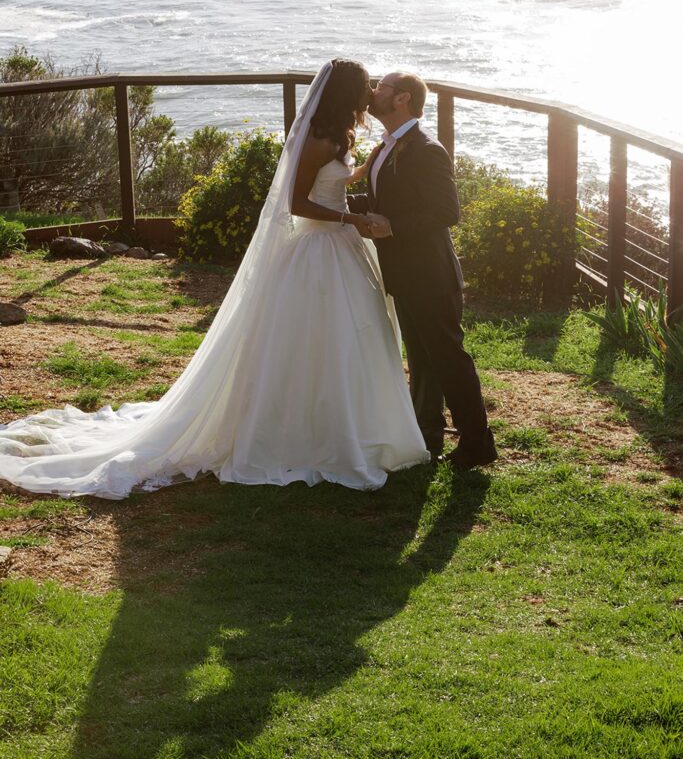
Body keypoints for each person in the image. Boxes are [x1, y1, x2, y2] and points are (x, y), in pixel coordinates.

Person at [0, 60, 429, 499]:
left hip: (341, 247)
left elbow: (329, 183)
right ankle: (304, 433)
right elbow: (297, 202)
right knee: (311, 338)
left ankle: (344, 424)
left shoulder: (339, 137)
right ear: (345, 93)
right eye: (365, 87)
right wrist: (351, 218)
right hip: (318, 249)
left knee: (346, 338)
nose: (371, 92)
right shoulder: (318, 139)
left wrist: (361, 170)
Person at [347, 70, 497, 469]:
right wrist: (333, 207)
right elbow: (385, 199)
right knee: (423, 361)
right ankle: (427, 437)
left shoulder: (427, 150)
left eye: (381, 87)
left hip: (430, 274)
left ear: (403, 99)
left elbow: (447, 211)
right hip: (402, 272)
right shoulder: (384, 148)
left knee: (448, 359)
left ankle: (479, 444)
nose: (373, 91)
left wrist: (392, 225)